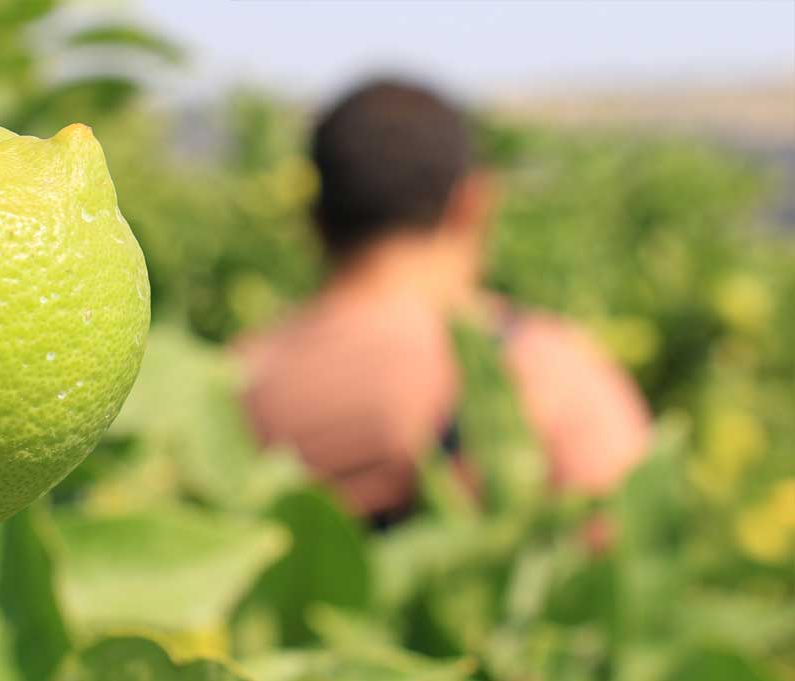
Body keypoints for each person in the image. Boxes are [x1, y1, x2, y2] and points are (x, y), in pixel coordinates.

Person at [236, 79, 651, 519]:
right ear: (472, 202)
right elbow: (628, 549)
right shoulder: (549, 372)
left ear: (315, 218)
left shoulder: (242, 375)